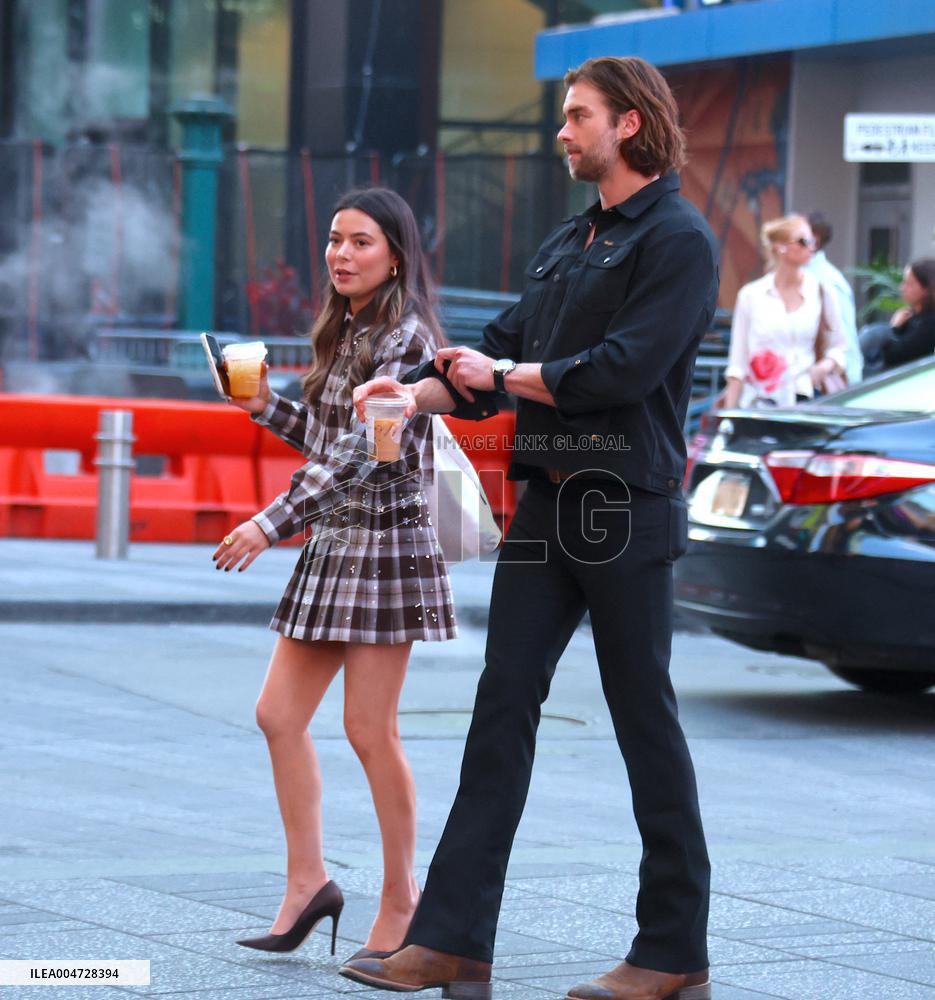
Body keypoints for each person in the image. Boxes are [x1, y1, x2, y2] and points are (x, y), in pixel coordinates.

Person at [343, 55, 717, 1000]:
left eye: (575, 115)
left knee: (644, 724)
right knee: (499, 709)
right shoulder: (572, 239)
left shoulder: (677, 240)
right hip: (551, 503)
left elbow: (616, 372)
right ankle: (454, 940)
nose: (561, 130)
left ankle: (672, 954)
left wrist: (498, 376)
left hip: (624, 505)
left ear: (627, 124)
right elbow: (499, 347)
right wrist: (415, 393)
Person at [213, 187, 456, 960]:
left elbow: (364, 455)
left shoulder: (406, 338)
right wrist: (264, 407)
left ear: (395, 255)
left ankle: (402, 898)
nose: (340, 254)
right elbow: (327, 439)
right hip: (334, 544)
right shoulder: (346, 327)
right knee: (277, 715)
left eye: (359, 242)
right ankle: (307, 884)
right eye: (333, 240)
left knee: (368, 730)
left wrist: (267, 522)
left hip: (383, 548)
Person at [723, 213, 847, 408]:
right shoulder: (751, 295)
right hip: (760, 402)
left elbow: (839, 347)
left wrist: (822, 368)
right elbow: (737, 364)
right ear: (779, 247)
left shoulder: (822, 292)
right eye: (803, 241)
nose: (811, 246)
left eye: (812, 240)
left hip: (806, 398)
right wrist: (728, 418)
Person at [806, 211, 863, 385]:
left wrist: (849, 381)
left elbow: (844, 337)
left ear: (814, 239)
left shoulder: (828, 281)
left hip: (828, 384)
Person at [880, 258, 935, 369]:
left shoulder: (929, 324)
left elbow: (893, 356)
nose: (902, 288)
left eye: (909, 284)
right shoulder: (910, 317)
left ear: (926, 289)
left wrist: (893, 328)